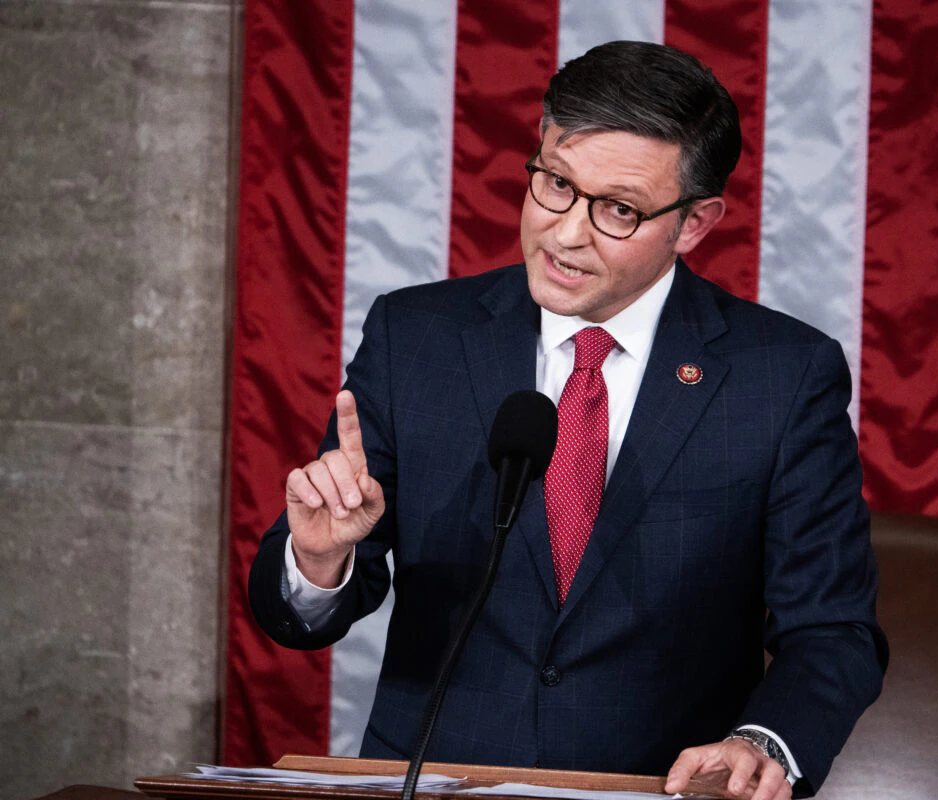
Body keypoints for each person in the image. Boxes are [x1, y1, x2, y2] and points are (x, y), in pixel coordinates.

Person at [249, 40, 886, 799]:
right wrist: (318, 563)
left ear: (694, 223)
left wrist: (761, 742)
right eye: (554, 183)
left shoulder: (780, 377)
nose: (566, 233)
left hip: (655, 789)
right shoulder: (415, 339)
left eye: (618, 208)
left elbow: (833, 630)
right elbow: (306, 613)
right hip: (435, 783)